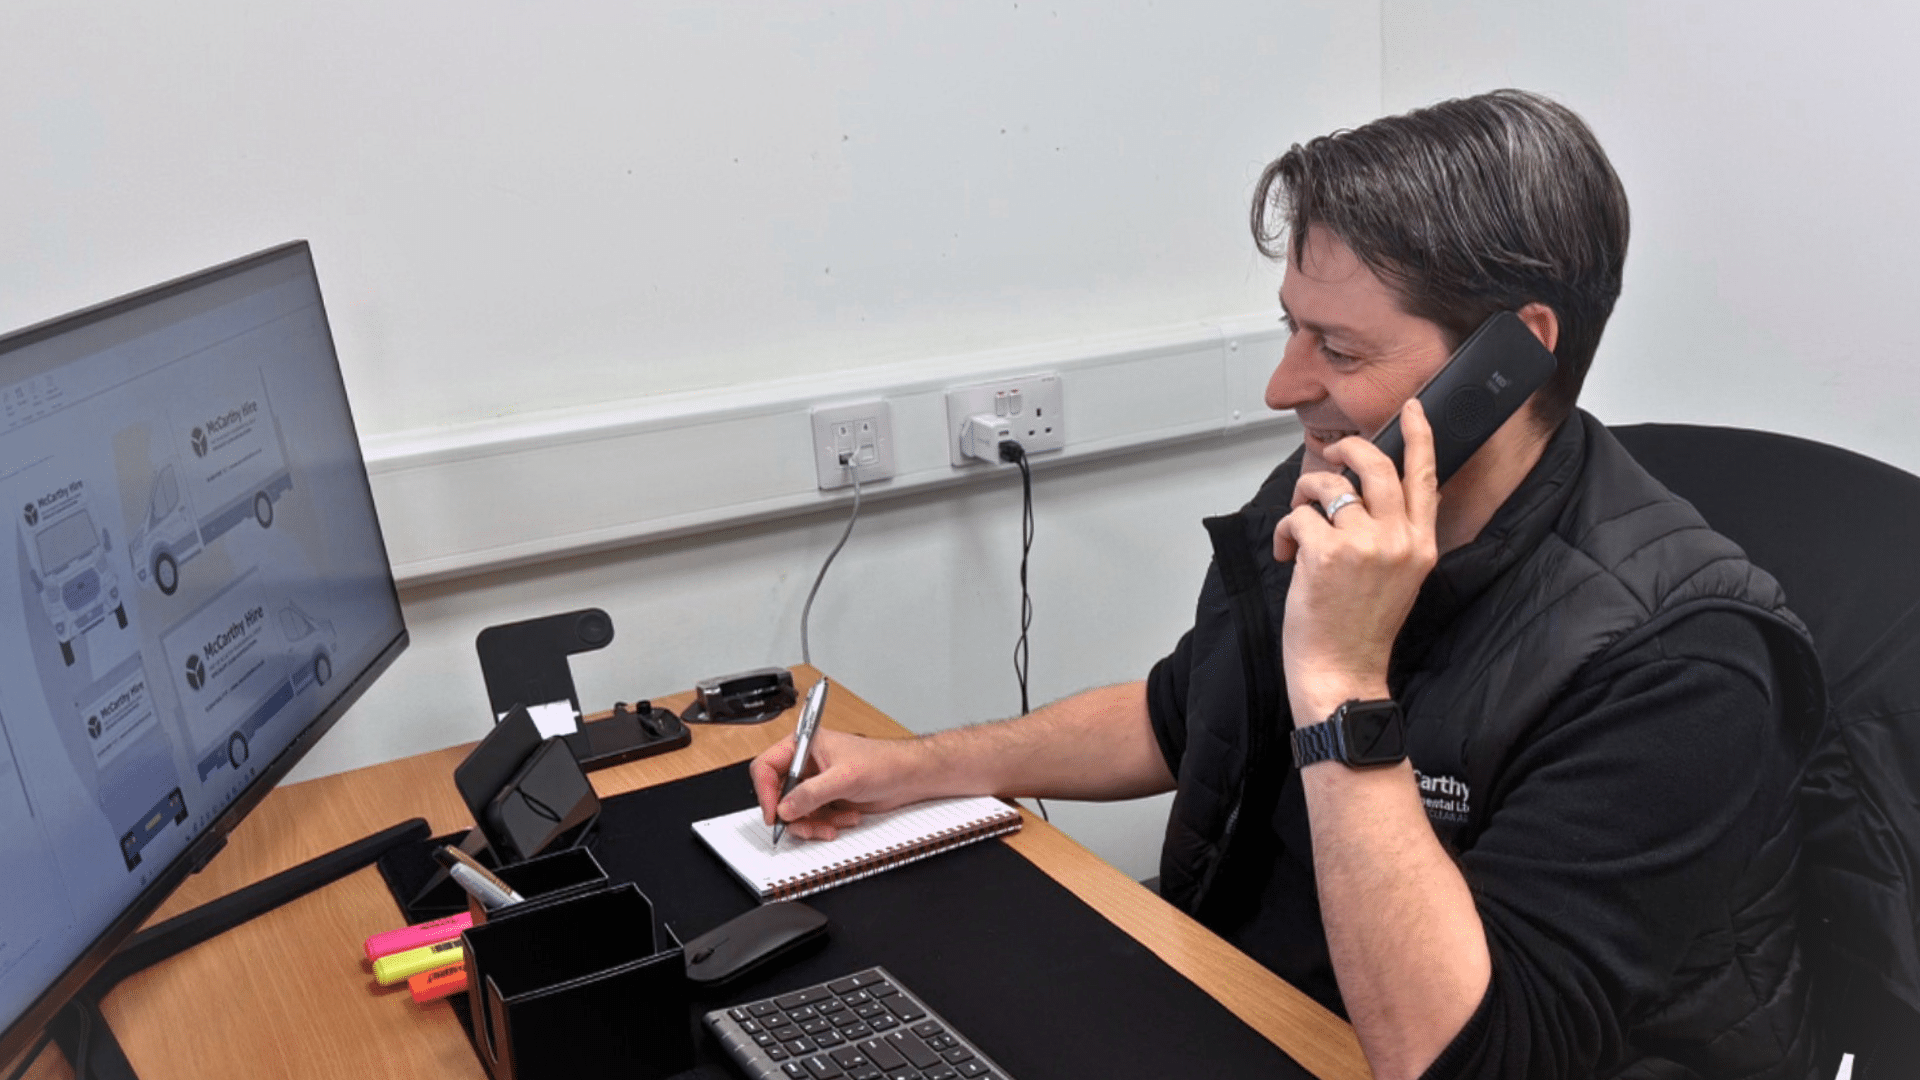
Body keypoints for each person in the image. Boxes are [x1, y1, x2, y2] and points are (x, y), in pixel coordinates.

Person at [751, 90, 1824, 1080]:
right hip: (1254, 1014)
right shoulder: (1334, 489)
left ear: (1512, 359)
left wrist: (1343, 679)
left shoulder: (1686, 661)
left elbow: (1469, 1059)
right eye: (1289, 327)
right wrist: (914, 770)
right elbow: (1182, 717)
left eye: (1340, 348)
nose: (1284, 386)